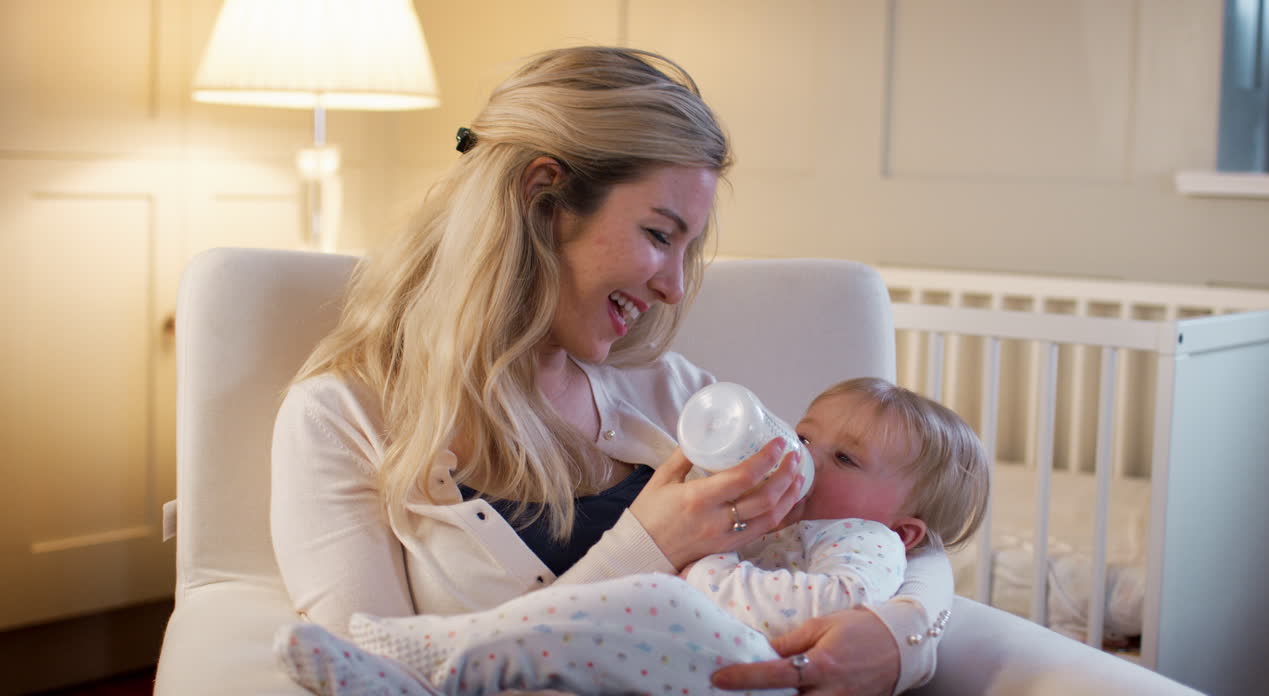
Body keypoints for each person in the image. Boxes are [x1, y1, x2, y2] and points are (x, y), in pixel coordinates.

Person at [268, 46, 956, 696]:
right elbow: (367, 671)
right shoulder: (344, 417)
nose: (675, 289)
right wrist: (647, 546)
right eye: (659, 236)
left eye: (688, 249)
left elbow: (876, 528)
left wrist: (899, 641)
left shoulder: (676, 395)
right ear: (544, 199)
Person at [274, 377, 989, 695]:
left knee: (661, 602)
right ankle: (440, 664)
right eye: (805, 435)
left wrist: (903, 637)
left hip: (743, 668)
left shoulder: (859, 538)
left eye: (845, 459)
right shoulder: (340, 409)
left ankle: (438, 665)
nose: (801, 456)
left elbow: (893, 567)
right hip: (675, 663)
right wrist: (668, 545)